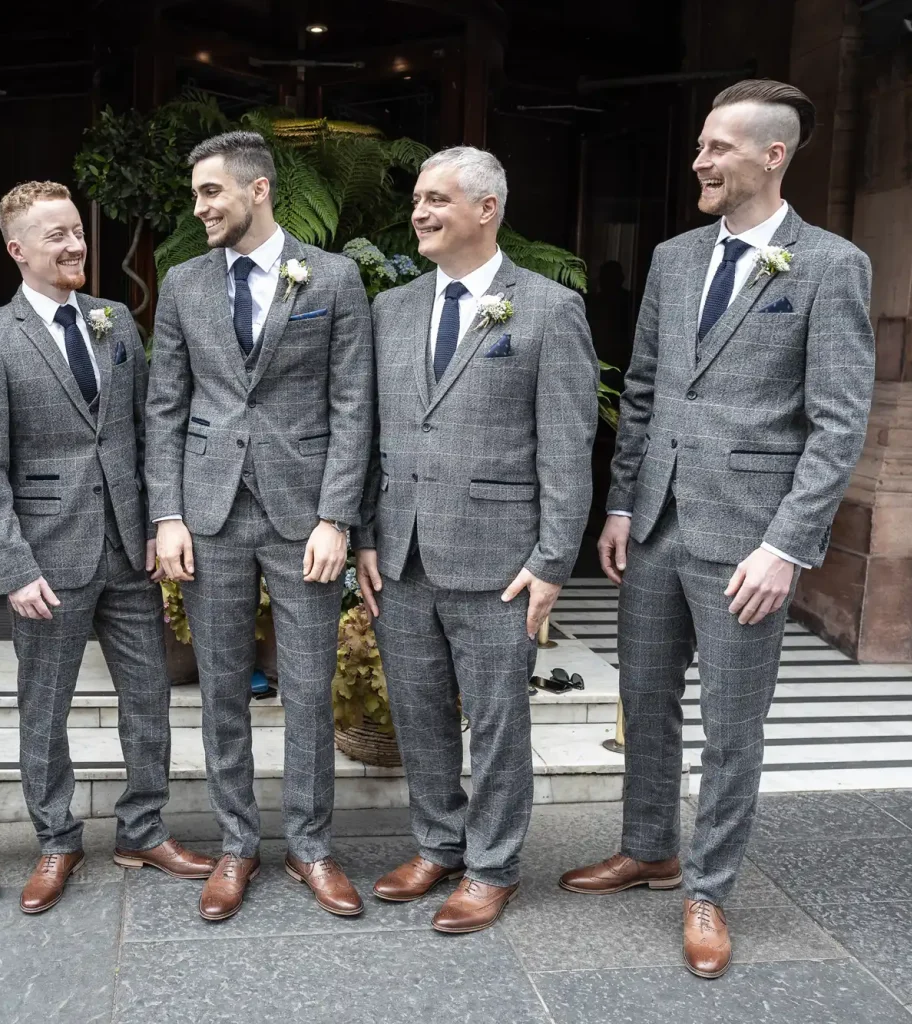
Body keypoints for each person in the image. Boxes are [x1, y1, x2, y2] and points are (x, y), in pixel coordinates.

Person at [560, 80, 875, 978]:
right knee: (645, 699)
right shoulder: (674, 258)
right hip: (656, 524)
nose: (699, 161)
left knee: (733, 725)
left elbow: (838, 422)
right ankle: (648, 848)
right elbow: (646, 390)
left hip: (749, 540)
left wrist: (786, 547)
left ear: (773, 157)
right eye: (700, 146)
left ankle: (709, 888)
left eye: (717, 148)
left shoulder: (831, 265)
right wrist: (622, 505)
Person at [353, 147, 598, 934]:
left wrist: (552, 561)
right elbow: (369, 434)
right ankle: (438, 844)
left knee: (497, 724)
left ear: (487, 209)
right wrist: (364, 536)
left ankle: (492, 866)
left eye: (437, 199)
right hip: (400, 555)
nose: (419, 213)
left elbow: (567, 448)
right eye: (417, 199)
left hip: (502, 562)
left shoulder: (549, 310)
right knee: (418, 713)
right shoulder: (391, 310)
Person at [0, 181, 215, 915]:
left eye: (77, 231)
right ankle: (56, 839)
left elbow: (146, 429)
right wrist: (14, 567)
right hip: (47, 559)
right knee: (45, 706)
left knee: (148, 696)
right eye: (57, 237)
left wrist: (161, 521)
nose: (76, 245)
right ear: (17, 250)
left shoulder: (114, 321)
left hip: (128, 550)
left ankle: (144, 829)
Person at [146, 131, 374, 921]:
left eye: (211, 192)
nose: (200, 208)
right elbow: (165, 407)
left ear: (259, 189)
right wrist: (167, 515)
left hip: (302, 515)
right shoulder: (182, 283)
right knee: (220, 690)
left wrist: (336, 517)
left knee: (307, 689)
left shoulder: (333, 278)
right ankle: (238, 844)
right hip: (208, 514)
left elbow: (353, 405)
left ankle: (311, 847)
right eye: (197, 194)